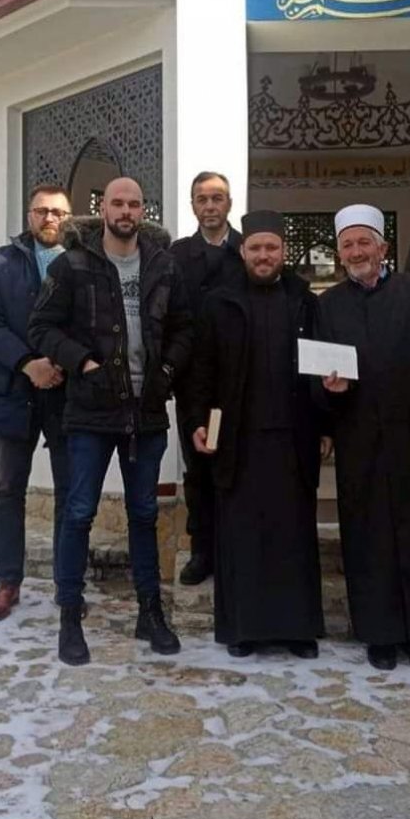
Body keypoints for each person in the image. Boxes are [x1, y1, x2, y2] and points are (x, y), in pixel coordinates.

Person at [27, 177, 193, 665]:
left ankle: (150, 612)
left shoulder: (164, 266)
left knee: (144, 513)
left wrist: (167, 371)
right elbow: (41, 327)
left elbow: (185, 328)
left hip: (146, 411)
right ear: (103, 209)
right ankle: (70, 617)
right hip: (91, 411)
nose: (125, 211)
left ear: (143, 210)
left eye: (134, 204)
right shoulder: (73, 264)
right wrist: (83, 363)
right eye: (117, 203)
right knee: (79, 512)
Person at [318, 204, 410, 672]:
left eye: (365, 242)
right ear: (339, 253)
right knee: (369, 538)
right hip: (360, 441)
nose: (357, 251)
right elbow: (318, 375)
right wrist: (330, 392)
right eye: (348, 245)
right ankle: (378, 633)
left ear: (383, 247)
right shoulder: (328, 305)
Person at [189, 210, 326, 658]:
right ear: (243, 251)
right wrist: (198, 422)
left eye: (271, 248)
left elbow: (321, 366)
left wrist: (325, 425)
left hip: (292, 438)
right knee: (243, 538)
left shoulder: (305, 301)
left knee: (293, 537)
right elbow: (202, 369)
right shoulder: (220, 301)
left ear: (283, 251)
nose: (263, 255)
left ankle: (298, 631)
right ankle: (243, 630)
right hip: (239, 440)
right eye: (255, 248)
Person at [0, 183, 72, 622]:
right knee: (8, 488)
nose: (50, 218)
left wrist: (63, 362)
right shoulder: (4, 261)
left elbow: (93, 322)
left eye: (58, 212)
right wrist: (28, 363)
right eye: (41, 211)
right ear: (29, 215)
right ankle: (7, 583)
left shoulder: (83, 261)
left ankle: (67, 584)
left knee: (71, 491)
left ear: (69, 217)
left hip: (66, 392)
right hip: (12, 390)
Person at [170, 172, 245, 585]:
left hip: (243, 381)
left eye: (218, 198)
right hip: (195, 383)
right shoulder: (178, 255)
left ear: (229, 203)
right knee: (199, 469)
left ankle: (237, 549)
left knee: (240, 467)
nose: (210, 205)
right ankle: (202, 550)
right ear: (193, 206)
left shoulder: (247, 249)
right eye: (202, 198)